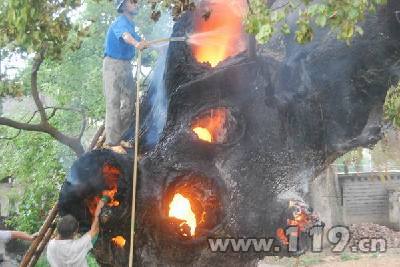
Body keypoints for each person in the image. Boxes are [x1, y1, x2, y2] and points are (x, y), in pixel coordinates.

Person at [103, 0, 148, 154]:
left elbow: (140, 41)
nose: (136, 3)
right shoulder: (120, 23)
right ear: (123, 6)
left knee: (129, 101)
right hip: (112, 64)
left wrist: (159, 48)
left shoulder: (131, 25)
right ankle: (112, 142)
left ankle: (119, 136)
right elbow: (126, 36)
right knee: (113, 101)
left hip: (126, 65)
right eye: (132, 1)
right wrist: (136, 44)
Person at [46, 199, 105, 267]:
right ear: (74, 233)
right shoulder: (77, 247)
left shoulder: (51, 245)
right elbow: (94, 230)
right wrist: (99, 207)